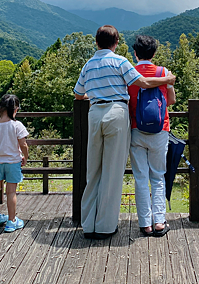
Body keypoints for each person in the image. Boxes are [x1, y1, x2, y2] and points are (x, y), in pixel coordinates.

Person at [74, 25, 176, 239]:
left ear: (96, 42)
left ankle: (88, 224)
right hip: (118, 114)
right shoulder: (120, 62)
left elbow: (78, 94)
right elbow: (145, 82)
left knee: (93, 170)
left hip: (94, 113)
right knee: (113, 171)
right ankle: (105, 226)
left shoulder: (88, 65)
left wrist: (96, 93)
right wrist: (167, 80)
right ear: (116, 42)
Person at [128, 35, 176, 237]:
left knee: (140, 178)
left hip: (135, 128)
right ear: (154, 53)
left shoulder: (129, 72)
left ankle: (145, 224)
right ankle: (159, 222)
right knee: (158, 176)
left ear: (135, 53)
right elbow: (171, 100)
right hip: (160, 129)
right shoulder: (163, 73)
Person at [0, 94, 29, 233]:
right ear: (16, 110)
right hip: (13, 162)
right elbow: (23, 144)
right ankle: (11, 221)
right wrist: (25, 157)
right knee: (11, 192)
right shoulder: (17, 125)